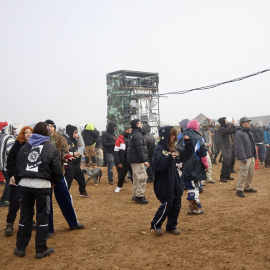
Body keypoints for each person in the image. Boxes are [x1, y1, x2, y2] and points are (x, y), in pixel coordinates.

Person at [14, 122, 62, 259]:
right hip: (42, 187)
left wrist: (20, 182)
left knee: (25, 216)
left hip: (25, 186)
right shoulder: (51, 149)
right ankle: (40, 249)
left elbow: (17, 168)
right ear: (47, 133)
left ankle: (20, 247)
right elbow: (57, 170)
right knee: (43, 216)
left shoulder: (24, 148)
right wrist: (53, 182)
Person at [150, 126, 193, 236]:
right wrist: (169, 158)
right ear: (165, 136)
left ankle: (171, 226)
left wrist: (188, 144)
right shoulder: (159, 149)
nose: (173, 137)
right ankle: (156, 225)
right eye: (171, 135)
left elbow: (186, 156)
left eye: (175, 135)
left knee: (176, 205)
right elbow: (157, 165)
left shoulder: (176, 149)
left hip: (177, 182)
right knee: (167, 204)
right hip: (165, 183)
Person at [45, 120, 84, 237]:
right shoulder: (41, 141)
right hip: (45, 176)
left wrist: (67, 156)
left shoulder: (61, 140)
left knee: (65, 199)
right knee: (47, 203)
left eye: (51, 126)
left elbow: (64, 153)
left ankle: (73, 222)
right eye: (47, 126)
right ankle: (49, 229)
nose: (49, 128)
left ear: (54, 128)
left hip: (58, 173)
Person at [5, 126, 34, 236]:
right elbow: (10, 162)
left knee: (29, 201)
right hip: (16, 178)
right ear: (22, 134)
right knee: (15, 202)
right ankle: (9, 223)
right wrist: (11, 175)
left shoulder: (34, 146)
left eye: (30, 132)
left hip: (29, 178)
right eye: (26, 132)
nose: (28, 134)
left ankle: (30, 221)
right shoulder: (16, 146)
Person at [177, 119, 208, 215]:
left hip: (181, 164)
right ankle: (193, 207)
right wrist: (206, 165)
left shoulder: (180, 135)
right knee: (194, 186)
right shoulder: (198, 137)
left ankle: (193, 206)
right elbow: (203, 153)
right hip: (194, 165)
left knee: (188, 185)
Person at [63, 124, 90, 198]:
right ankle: (64, 196)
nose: (76, 134)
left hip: (75, 163)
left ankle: (82, 192)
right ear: (71, 132)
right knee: (68, 182)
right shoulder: (64, 139)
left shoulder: (72, 138)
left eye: (77, 132)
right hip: (68, 164)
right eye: (75, 132)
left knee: (81, 178)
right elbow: (63, 152)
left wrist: (78, 137)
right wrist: (73, 154)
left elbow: (80, 145)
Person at [127, 119, 150, 204]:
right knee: (142, 178)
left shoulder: (132, 134)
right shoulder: (138, 134)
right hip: (138, 160)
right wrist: (144, 160)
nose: (141, 125)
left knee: (136, 178)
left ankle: (135, 195)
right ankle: (140, 196)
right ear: (137, 125)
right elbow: (140, 148)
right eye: (140, 123)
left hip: (133, 160)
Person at [234, 117, 257, 197]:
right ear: (242, 123)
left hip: (251, 156)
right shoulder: (239, 133)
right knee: (243, 174)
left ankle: (248, 187)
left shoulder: (249, 132)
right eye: (247, 122)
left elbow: (252, 144)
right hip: (245, 157)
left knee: (251, 173)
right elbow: (239, 147)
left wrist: (255, 155)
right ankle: (239, 189)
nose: (248, 123)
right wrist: (243, 158)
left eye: (248, 122)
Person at [0, 123, 16, 207]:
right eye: (13, 129)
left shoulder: (1, 137)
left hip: (2, 164)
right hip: (7, 164)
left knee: (8, 180)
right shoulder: (9, 138)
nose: (14, 131)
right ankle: (4, 199)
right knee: (9, 181)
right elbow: (10, 151)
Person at [114, 124, 133, 193]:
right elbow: (116, 151)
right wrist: (118, 162)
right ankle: (119, 187)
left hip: (132, 160)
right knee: (122, 176)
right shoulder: (119, 139)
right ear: (126, 130)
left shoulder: (133, 138)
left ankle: (136, 188)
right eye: (130, 130)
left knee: (134, 176)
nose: (131, 131)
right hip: (124, 161)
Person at [218, 117, 236, 182]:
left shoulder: (225, 127)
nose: (226, 121)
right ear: (223, 121)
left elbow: (233, 130)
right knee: (226, 162)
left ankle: (227, 175)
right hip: (225, 147)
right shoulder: (221, 128)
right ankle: (222, 177)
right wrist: (233, 124)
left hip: (228, 146)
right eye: (225, 120)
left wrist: (232, 125)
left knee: (229, 162)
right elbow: (230, 131)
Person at [200, 119, 215, 183]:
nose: (209, 126)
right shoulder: (200, 132)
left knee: (209, 164)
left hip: (206, 149)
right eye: (208, 125)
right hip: (201, 150)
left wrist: (210, 149)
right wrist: (207, 144)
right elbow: (199, 142)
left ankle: (208, 178)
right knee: (203, 165)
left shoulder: (208, 131)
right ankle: (202, 179)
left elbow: (210, 140)